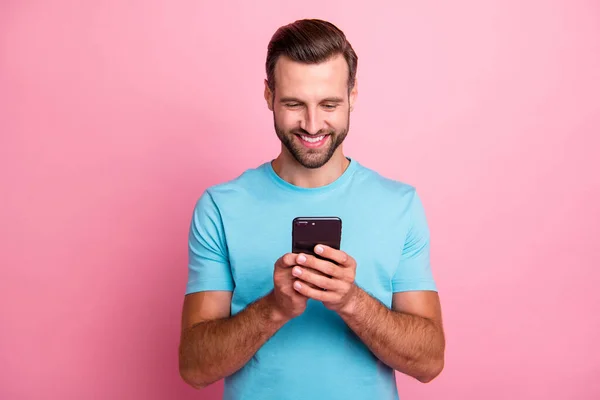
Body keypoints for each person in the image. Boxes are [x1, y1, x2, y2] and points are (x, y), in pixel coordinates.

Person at [178, 18, 445, 400]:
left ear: (353, 96)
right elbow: (194, 368)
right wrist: (275, 307)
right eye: (294, 104)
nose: (313, 124)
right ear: (269, 96)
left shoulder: (399, 205)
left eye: (329, 104)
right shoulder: (220, 207)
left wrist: (350, 301)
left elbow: (429, 362)